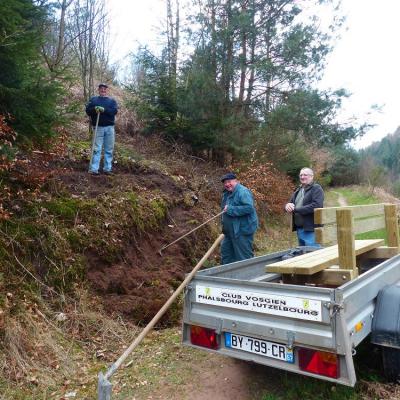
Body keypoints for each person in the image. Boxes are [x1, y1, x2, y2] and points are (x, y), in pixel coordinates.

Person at [220, 172, 259, 264]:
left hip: (242, 231)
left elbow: (249, 208)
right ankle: (228, 277)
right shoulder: (226, 194)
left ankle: (248, 277)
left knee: (243, 258)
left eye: (229, 181)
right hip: (229, 232)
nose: (227, 184)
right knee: (226, 255)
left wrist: (231, 209)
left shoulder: (243, 192)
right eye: (225, 183)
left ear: (236, 181)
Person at [285, 167, 324, 247]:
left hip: (311, 229)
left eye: (305, 175)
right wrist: (287, 205)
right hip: (300, 229)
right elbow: (290, 203)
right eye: (301, 175)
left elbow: (316, 205)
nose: (302, 177)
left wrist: (296, 210)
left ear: (311, 176)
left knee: (314, 255)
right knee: (303, 255)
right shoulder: (298, 190)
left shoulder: (316, 188)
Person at [86, 83, 118, 175]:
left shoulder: (112, 101)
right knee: (96, 148)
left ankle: (107, 169)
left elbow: (114, 111)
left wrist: (104, 110)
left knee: (109, 149)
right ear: (98, 90)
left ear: (107, 90)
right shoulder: (93, 100)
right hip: (98, 127)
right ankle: (94, 169)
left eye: (105, 89)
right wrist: (94, 109)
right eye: (101, 89)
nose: (103, 90)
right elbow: (88, 111)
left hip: (109, 128)